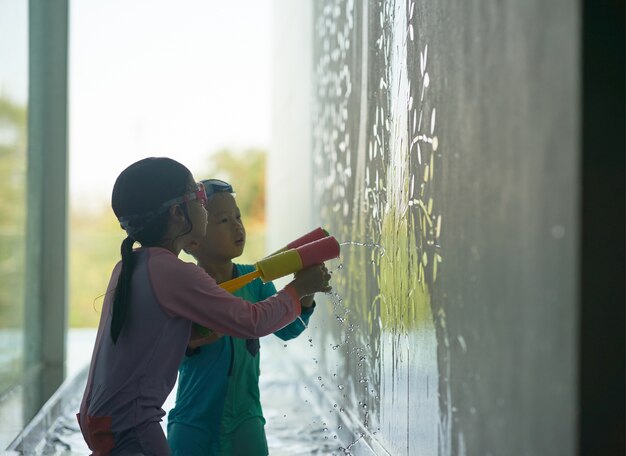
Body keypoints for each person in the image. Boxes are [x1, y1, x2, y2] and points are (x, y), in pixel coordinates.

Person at [77, 157, 331, 456]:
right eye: (198, 198)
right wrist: (298, 288)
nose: (207, 213)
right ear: (176, 213)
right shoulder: (175, 273)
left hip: (104, 419)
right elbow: (252, 321)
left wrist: (189, 338)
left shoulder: (129, 265)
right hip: (135, 426)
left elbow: (142, 343)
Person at [166, 179, 317, 456]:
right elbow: (166, 348)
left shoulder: (255, 281)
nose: (237, 226)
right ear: (193, 241)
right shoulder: (188, 286)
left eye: (238, 216)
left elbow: (289, 330)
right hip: (193, 419)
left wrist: (305, 292)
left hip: (246, 417)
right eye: (223, 220)